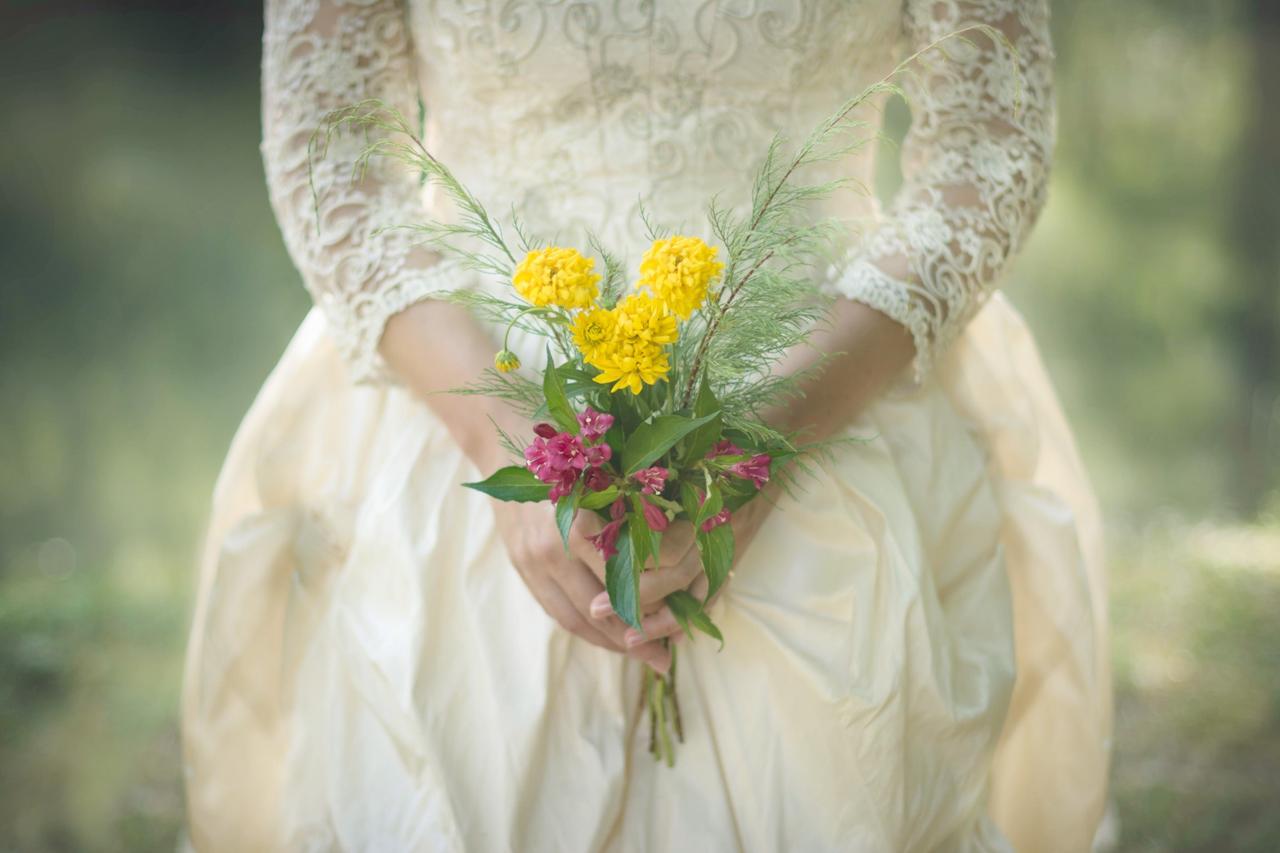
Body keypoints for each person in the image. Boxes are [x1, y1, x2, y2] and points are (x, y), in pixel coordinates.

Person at [182, 1, 1111, 849]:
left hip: (831, 373)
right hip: (470, 375)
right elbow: (329, 150)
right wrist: (512, 440)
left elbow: (989, 150)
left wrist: (769, 436)